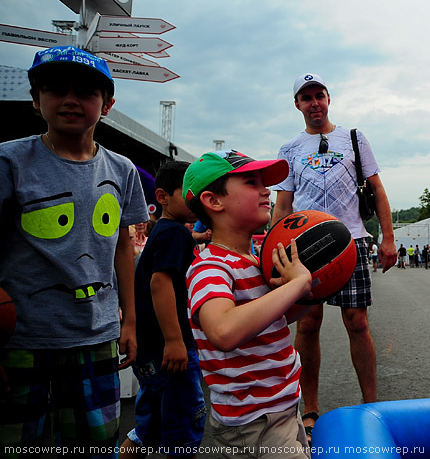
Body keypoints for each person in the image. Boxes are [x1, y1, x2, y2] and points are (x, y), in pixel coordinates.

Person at [0, 46, 148, 454]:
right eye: (54, 89)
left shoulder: (122, 169)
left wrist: (130, 321)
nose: (70, 99)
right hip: (20, 339)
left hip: (95, 334)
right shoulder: (9, 161)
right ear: (35, 100)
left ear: (107, 103)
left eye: (85, 91)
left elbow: (122, 246)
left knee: (95, 444)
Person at [273, 73, 397, 442]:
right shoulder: (290, 148)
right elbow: (283, 203)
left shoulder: (354, 139)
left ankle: (369, 404)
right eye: (306, 98)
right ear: (297, 104)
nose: (315, 103)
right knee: (307, 325)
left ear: (329, 99)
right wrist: (273, 252)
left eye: (320, 96)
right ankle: (309, 409)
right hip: (305, 245)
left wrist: (387, 238)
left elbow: (377, 190)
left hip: (351, 241)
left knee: (357, 321)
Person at [183, 149, 313, 458]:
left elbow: (273, 318)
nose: (266, 190)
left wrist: (311, 291)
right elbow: (224, 330)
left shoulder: (255, 260)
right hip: (253, 421)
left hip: (283, 404)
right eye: (252, 182)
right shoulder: (210, 267)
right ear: (214, 201)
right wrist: (296, 284)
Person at [121, 161, 206, 458]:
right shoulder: (175, 235)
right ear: (162, 196)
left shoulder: (166, 231)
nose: (197, 198)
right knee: (183, 428)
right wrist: (174, 340)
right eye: (190, 192)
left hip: (149, 350)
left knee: (147, 428)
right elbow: (160, 284)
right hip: (167, 348)